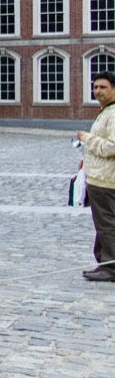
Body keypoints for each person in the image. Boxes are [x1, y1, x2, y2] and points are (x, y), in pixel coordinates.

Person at [77, 71, 115, 281]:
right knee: (103, 223)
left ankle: (110, 268)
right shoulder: (107, 111)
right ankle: (104, 263)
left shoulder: (113, 113)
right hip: (99, 177)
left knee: (107, 224)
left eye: (103, 87)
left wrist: (87, 138)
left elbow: (112, 147)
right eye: (95, 87)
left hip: (106, 180)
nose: (97, 91)